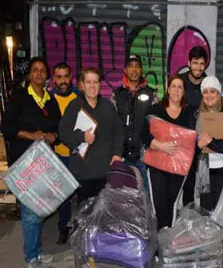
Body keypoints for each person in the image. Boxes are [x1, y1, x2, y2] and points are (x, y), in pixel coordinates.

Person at [1, 56, 61, 268]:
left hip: (45, 162)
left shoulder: (50, 100)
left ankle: (36, 250)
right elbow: (6, 128)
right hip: (25, 161)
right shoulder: (19, 97)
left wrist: (54, 135)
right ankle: (31, 257)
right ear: (29, 74)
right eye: (35, 70)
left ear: (47, 76)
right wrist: (32, 135)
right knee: (29, 211)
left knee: (41, 208)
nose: (39, 74)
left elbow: (58, 127)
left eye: (42, 70)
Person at [59, 68, 124, 206]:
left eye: (95, 82)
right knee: (85, 216)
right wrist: (81, 136)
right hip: (83, 173)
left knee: (104, 214)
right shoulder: (74, 106)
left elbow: (119, 131)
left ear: (100, 85)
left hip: (105, 172)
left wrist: (117, 154)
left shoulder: (108, 106)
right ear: (82, 85)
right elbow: (63, 133)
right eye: (88, 82)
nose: (92, 86)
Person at [141, 75, 196, 230]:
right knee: (158, 203)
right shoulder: (156, 109)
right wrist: (160, 146)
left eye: (180, 87)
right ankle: (158, 243)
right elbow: (143, 133)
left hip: (178, 168)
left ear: (184, 91)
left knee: (171, 203)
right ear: (168, 89)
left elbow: (209, 106)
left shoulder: (189, 113)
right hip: (157, 165)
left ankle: (166, 242)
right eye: (174, 86)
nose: (176, 90)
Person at [112, 55, 156, 184]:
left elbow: (156, 124)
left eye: (137, 66)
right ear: (125, 70)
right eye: (131, 66)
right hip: (122, 155)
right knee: (123, 196)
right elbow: (112, 126)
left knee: (144, 196)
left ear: (141, 70)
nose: (134, 70)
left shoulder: (151, 94)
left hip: (143, 157)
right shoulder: (117, 95)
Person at [195, 76, 223, 213]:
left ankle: (221, 235)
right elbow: (191, 145)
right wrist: (198, 145)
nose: (209, 95)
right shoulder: (197, 114)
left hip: (222, 169)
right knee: (205, 211)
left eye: (213, 91)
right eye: (205, 91)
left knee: (220, 211)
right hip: (204, 169)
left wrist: (210, 142)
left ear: (219, 93)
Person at [50, 62, 80, 245]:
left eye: (65, 76)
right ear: (54, 79)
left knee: (83, 192)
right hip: (57, 154)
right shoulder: (49, 97)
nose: (63, 81)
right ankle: (63, 227)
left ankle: (82, 226)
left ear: (71, 77)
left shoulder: (79, 97)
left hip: (77, 154)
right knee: (63, 194)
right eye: (59, 77)